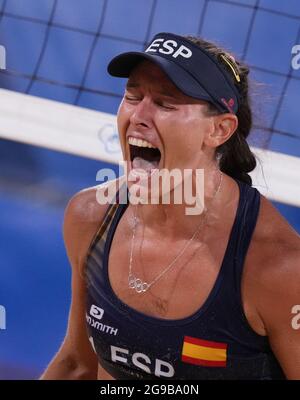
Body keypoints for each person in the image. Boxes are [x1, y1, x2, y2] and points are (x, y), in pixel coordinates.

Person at [40, 32, 300, 380]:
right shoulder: (91, 217)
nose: (139, 116)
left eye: (165, 104)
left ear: (219, 130)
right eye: (133, 96)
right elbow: (77, 365)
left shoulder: (278, 268)